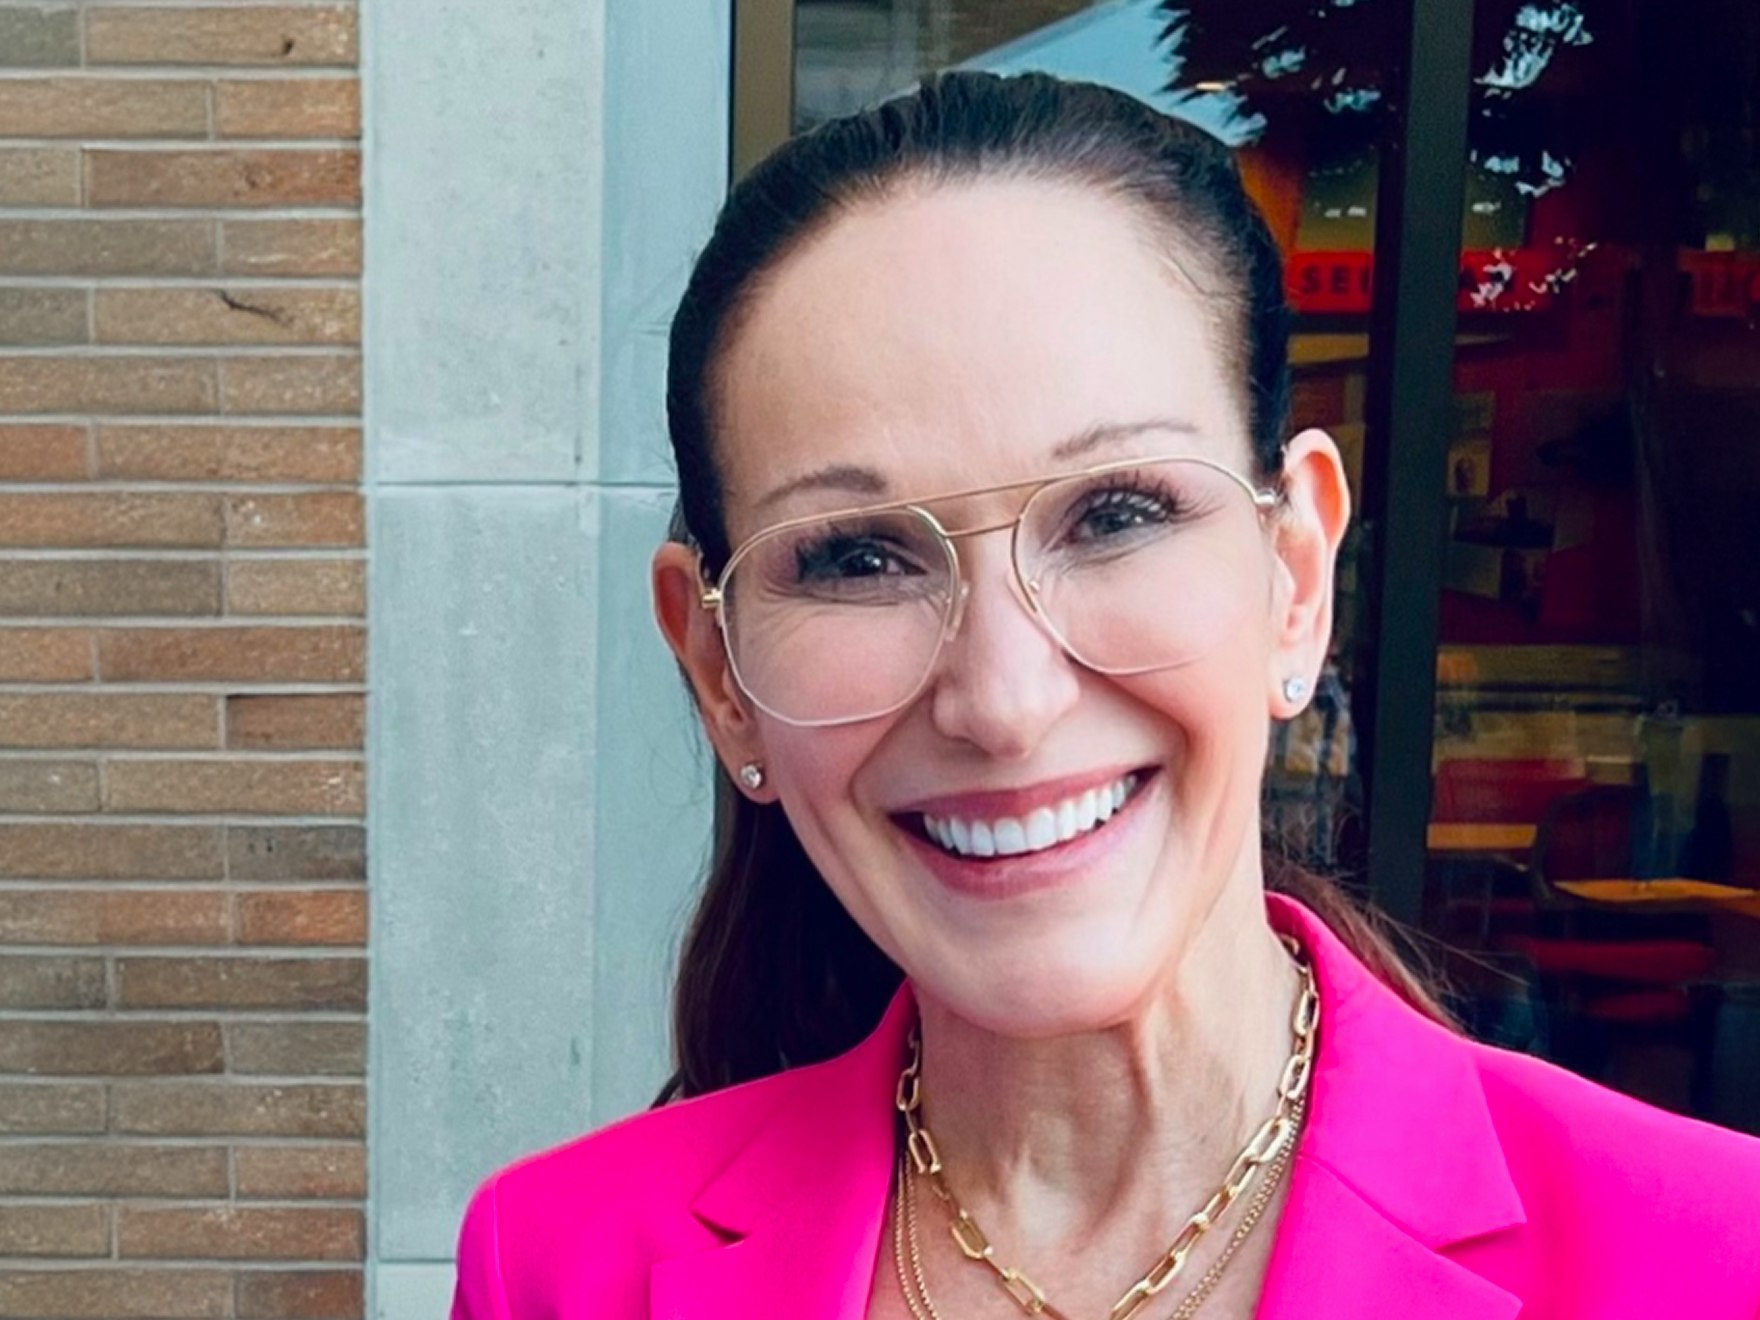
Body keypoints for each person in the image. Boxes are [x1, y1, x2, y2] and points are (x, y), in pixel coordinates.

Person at [450, 72, 1760, 1319]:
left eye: (1116, 513)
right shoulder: (560, 1267)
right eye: (855, 557)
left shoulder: (1714, 1256)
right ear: (720, 673)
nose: (1004, 700)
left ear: (1293, 573)